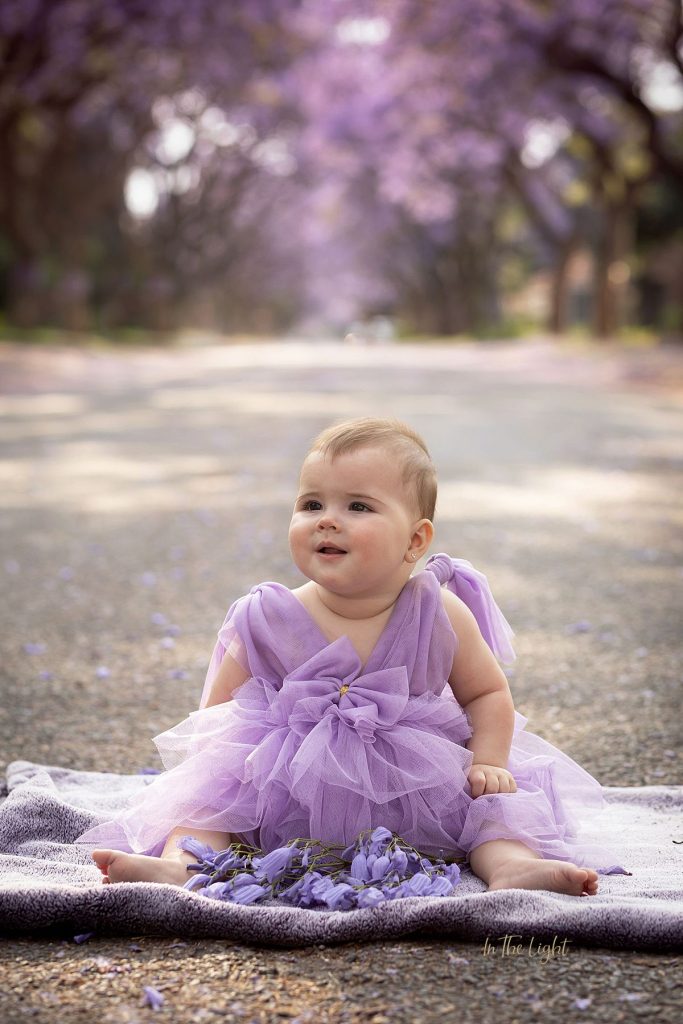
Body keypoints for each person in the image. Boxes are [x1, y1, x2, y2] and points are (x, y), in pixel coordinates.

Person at [77, 417, 625, 895]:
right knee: (209, 801)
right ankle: (181, 864)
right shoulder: (265, 616)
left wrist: (488, 760)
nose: (327, 518)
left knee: (490, 811)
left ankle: (512, 866)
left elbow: (486, 693)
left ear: (415, 541)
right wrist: (212, 772)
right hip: (286, 783)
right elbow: (218, 712)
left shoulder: (438, 612)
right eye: (310, 503)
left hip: (414, 782)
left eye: (357, 506)